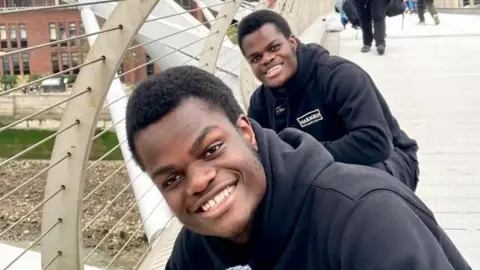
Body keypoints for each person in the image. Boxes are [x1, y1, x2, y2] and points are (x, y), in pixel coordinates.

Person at [125, 66, 471, 270]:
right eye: (172, 178)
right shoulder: (199, 247)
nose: (198, 182)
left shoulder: (365, 218)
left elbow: (374, 139)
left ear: (246, 133)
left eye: (212, 149)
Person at [239, 10, 420, 191]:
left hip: (390, 160)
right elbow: (261, 159)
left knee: (354, 186)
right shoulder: (260, 103)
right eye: (256, 58)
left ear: (292, 43)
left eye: (274, 48)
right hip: (322, 171)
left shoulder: (339, 76)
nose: (267, 59)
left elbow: (376, 142)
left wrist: (302, 157)